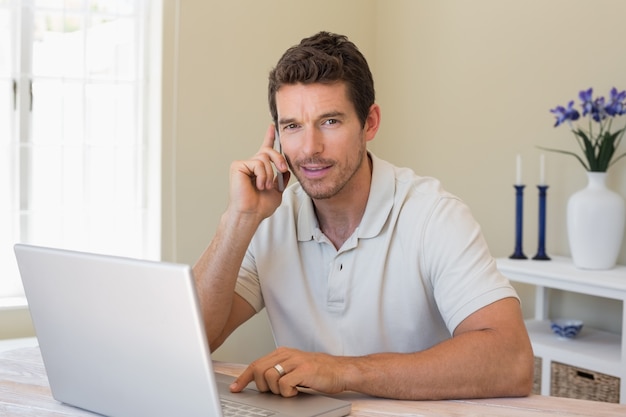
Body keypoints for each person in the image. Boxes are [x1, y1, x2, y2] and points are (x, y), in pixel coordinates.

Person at [193, 31, 534, 401]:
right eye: (293, 126)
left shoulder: (434, 215)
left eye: (330, 121)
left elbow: (511, 361)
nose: (309, 149)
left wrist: (342, 370)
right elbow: (192, 340)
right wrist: (238, 219)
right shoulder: (270, 218)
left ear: (369, 123)